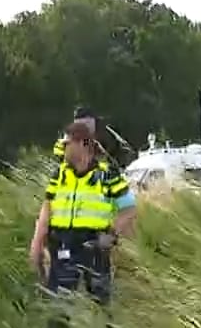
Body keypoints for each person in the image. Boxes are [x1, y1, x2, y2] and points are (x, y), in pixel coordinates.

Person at [28, 119, 137, 314]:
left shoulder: (106, 175)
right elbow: (47, 208)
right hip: (62, 243)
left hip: (93, 245)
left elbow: (128, 209)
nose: (63, 150)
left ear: (82, 144)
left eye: (67, 144)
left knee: (99, 305)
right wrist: (37, 243)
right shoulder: (60, 174)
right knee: (59, 305)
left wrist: (111, 234)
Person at [51, 105, 112, 173]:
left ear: (93, 120)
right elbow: (59, 151)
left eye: (86, 123)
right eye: (79, 124)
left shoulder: (106, 131)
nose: (84, 127)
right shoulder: (70, 133)